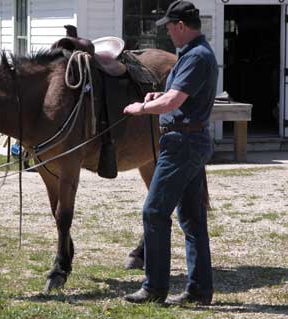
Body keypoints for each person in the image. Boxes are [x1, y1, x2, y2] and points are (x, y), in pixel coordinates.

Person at [123, 1, 218, 305]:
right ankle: (199, 290)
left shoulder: (196, 56)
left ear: (180, 25)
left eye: (168, 27)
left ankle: (154, 288)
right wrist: (158, 95)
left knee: (154, 211)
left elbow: (173, 102)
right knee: (191, 218)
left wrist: (143, 107)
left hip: (182, 144)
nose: (167, 32)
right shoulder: (190, 55)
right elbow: (176, 95)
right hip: (187, 141)